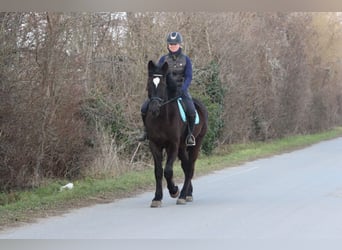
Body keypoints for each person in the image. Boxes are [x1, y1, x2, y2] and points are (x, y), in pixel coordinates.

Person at [138, 31, 197, 146]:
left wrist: (183, 88)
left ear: (180, 44)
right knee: (144, 107)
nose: (172, 46)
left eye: (175, 44)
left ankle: (190, 135)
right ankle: (146, 131)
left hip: (181, 90)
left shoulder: (186, 59)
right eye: (170, 44)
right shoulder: (163, 59)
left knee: (191, 110)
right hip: (165, 91)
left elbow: (189, 76)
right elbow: (157, 74)